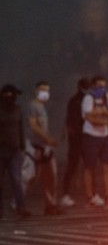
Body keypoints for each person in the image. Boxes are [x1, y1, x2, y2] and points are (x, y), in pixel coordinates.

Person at [81, 76, 108, 209]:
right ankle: (89, 197)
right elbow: (89, 118)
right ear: (92, 86)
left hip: (105, 135)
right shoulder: (88, 98)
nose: (101, 89)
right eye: (98, 86)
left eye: (103, 86)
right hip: (91, 135)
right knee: (89, 168)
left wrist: (103, 112)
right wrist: (107, 121)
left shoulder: (107, 96)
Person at [26, 81, 62, 215]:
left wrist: (47, 142)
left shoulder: (42, 107)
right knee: (31, 177)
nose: (45, 93)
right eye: (42, 89)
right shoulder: (33, 105)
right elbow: (33, 126)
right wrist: (47, 139)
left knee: (51, 176)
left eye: (47, 90)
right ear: (36, 90)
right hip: (35, 146)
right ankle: (17, 203)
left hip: (45, 146)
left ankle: (51, 205)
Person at [0, 84, 30, 218]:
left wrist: (23, 147)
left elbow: (20, 128)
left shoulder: (18, 109)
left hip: (15, 151)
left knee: (16, 179)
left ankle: (21, 207)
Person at [59, 77, 89, 207]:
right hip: (77, 138)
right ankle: (66, 194)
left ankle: (90, 194)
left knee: (89, 166)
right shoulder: (75, 101)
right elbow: (70, 119)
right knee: (73, 166)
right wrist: (70, 132)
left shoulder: (88, 100)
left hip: (87, 137)